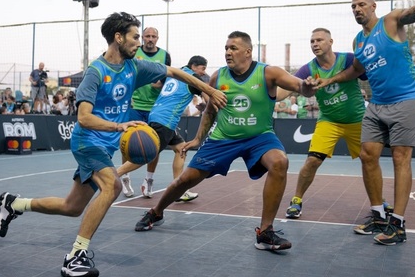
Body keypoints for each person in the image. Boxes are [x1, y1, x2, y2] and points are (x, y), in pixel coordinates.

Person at [0, 12, 226, 277]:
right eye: (135, 37)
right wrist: (118, 126)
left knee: (72, 207)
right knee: (112, 185)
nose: (139, 43)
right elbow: (83, 117)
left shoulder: (134, 67)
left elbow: (174, 71)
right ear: (118, 38)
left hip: (105, 147)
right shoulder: (96, 72)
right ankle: (75, 256)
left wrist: (209, 91)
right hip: (86, 142)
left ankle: (14, 204)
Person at [134, 30, 316, 252]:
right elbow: (210, 110)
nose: (228, 52)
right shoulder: (218, 77)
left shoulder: (268, 73)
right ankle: (156, 212)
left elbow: (299, 86)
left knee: (279, 162)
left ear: (248, 52)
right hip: (223, 139)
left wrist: (307, 87)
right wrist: (198, 139)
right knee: (185, 180)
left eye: (233, 48)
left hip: (259, 137)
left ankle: (265, 232)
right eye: (226, 48)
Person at [316, 0, 415, 245]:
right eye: (353, 6)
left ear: (373, 6)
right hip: (377, 104)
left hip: (406, 99)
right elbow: (356, 70)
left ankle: (399, 224)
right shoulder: (359, 41)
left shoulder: (391, 21)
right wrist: (329, 80)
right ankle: (379, 213)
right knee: (368, 155)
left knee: (400, 157)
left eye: (361, 4)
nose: (357, 9)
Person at [282, 28, 367, 220]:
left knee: (369, 162)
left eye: (319, 40)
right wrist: (269, 95)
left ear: (331, 42)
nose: (315, 44)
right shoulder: (308, 69)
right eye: (312, 41)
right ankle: (296, 200)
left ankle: (379, 202)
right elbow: (288, 88)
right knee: (312, 161)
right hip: (329, 121)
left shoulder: (347, 60)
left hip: (357, 121)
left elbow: (369, 75)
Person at [118, 55, 211, 202]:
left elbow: (155, 84)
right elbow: (208, 99)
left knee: (181, 149)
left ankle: (178, 189)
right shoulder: (193, 79)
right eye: (203, 68)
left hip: (157, 114)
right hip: (166, 120)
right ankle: (113, 176)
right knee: (147, 154)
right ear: (194, 66)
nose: (204, 72)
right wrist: (205, 105)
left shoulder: (174, 73)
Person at [121, 27, 172, 198]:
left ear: (158, 38)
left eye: (153, 36)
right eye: (147, 36)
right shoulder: (134, 52)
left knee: (154, 145)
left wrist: (161, 85)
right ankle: (125, 177)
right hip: (135, 105)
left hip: (155, 108)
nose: (150, 39)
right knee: (128, 141)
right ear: (142, 37)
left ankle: (148, 180)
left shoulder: (165, 55)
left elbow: (168, 78)